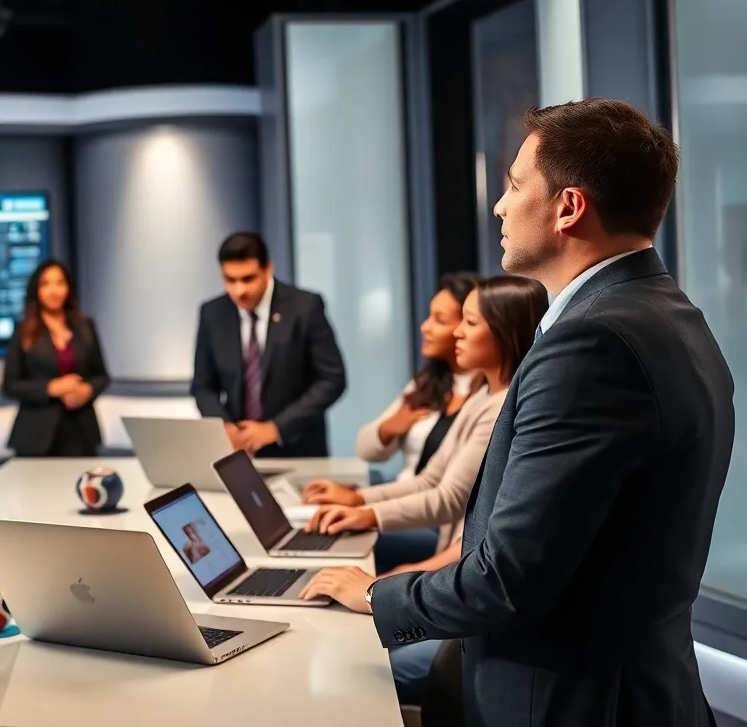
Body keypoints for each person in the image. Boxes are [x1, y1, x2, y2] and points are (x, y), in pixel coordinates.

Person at [299, 99, 733, 727]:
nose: (500, 206)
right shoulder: (669, 314)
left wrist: (373, 595)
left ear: (569, 206)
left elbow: (509, 577)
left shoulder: (594, 344)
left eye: (513, 185)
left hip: (570, 699)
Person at [303, 276, 547, 575]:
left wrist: (368, 515)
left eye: (469, 323)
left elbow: (449, 499)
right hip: (446, 546)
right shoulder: (481, 395)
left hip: (456, 556)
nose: (457, 332)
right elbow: (430, 479)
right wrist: (360, 503)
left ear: (503, 332)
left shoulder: (500, 407)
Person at [190, 232, 347, 457]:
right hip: (238, 454)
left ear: (268, 269)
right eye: (230, 280)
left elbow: (333, 379)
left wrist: (276, 428)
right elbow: (203, 386)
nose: (239, 291)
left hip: (298, 451)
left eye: (248, 279)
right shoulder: (212, 314)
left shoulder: (304, 308)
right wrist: (224, 427)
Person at [357, 272, 479, 485]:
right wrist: (392, 425)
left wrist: (364, 503)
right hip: (405, 504)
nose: (425, 327)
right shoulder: (428, 383)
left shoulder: (490, 393)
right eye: (429, 316)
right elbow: (366, 449)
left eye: (439, 320)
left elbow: (445, 493)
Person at [2, 258, 110, 457]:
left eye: (60, 283)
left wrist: (88, 390)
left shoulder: (85, 327)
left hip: (81, 432)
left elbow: (102, 376)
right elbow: (9, 385)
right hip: (36, 436)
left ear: (68, 288)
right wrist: (51, 388)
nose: (54, 291)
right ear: (37, 289)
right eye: (46, 284)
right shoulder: (23, 331)